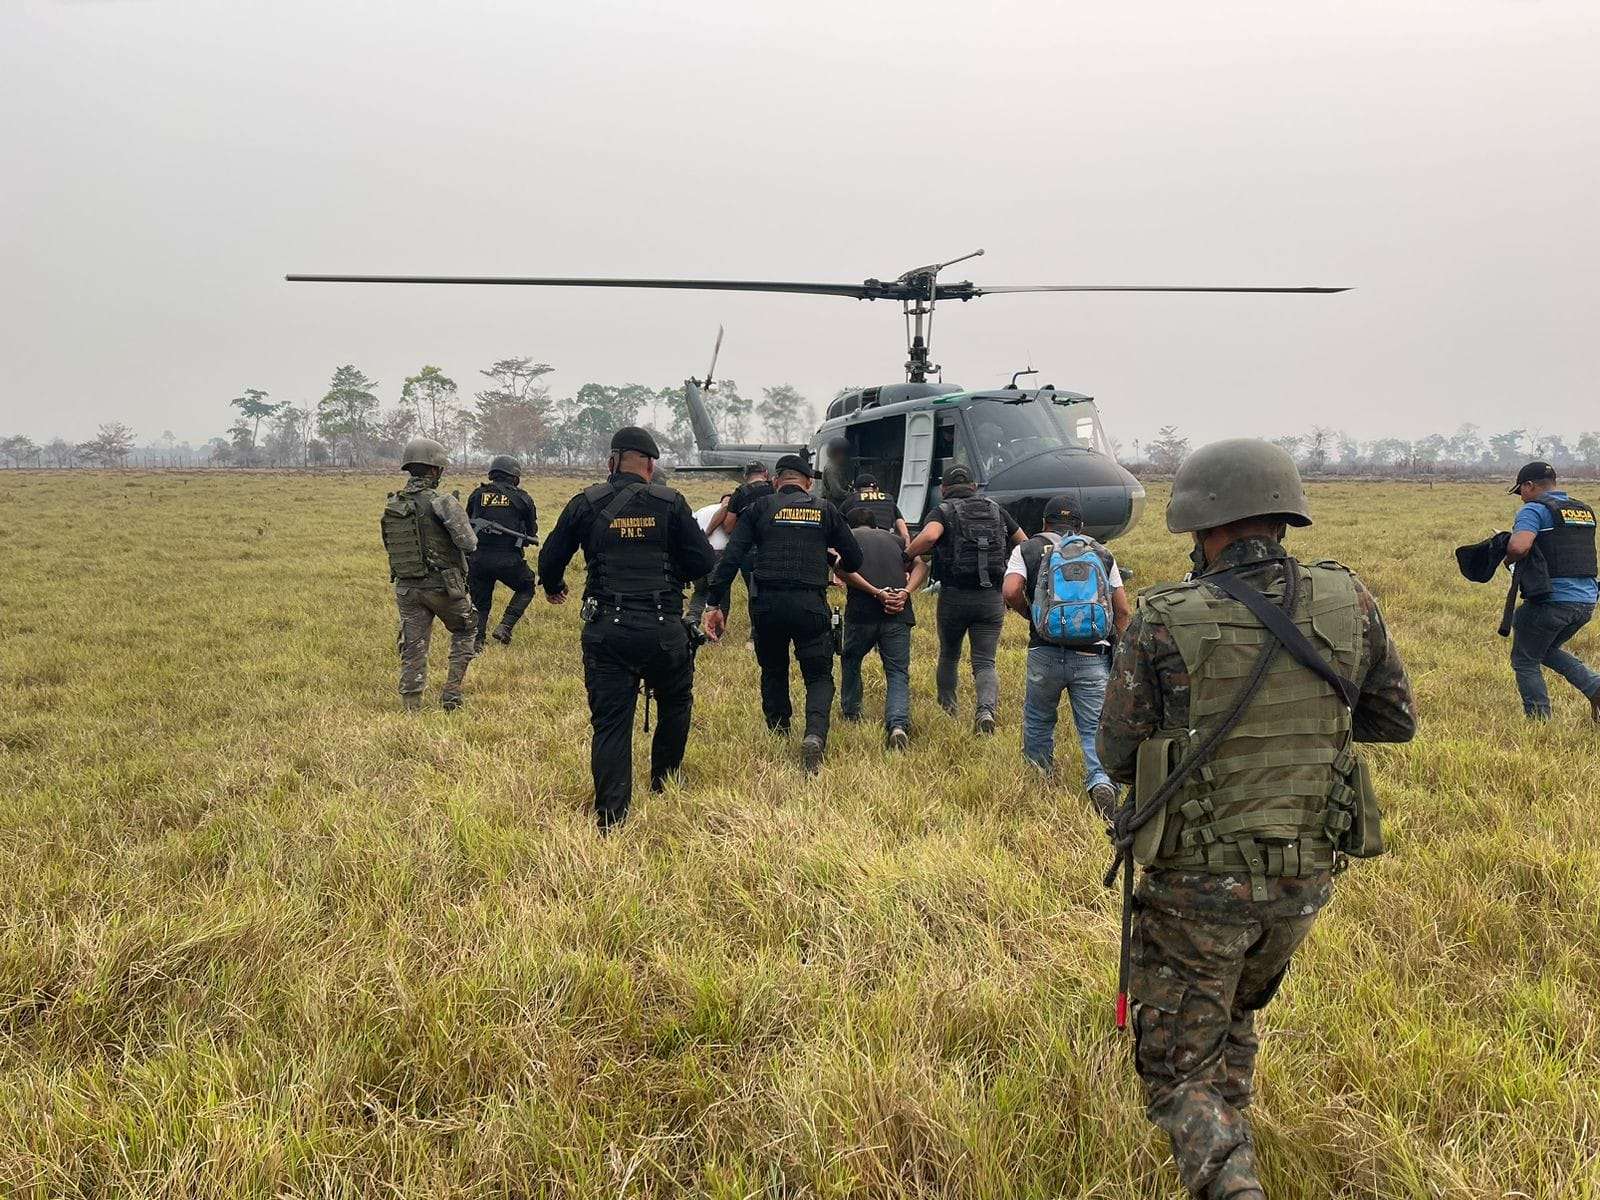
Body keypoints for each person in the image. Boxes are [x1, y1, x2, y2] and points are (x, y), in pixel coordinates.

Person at [1097, 438, 1416, 1200]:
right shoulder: (1350, 599)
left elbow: (1116, 753)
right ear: (1280, 514)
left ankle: (1230, 1183)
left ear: (1204, 527)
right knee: (1235, 1009)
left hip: (1199, 885)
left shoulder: (1165, 618)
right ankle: (1231, 1129)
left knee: (1176, 1069)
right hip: (1305, 879)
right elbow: (1393, 719)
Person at [537, 427, 716, 832]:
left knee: (611, 723)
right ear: (651, 465)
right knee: (676, 701)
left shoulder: (585, 503)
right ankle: (664, 780)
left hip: (607, 628)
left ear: (612, 461)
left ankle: (612, 817)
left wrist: (554, 588)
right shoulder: (671, 503)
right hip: (662, 628)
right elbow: (704, 562)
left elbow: (550, 558)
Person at [704, 453, 863, 774]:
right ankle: (815, 735)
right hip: (809, 604)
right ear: (808, 483)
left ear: (776, 482)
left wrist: (713, 604)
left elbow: (731, 558)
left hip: (767, 605)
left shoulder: (758, 509)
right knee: (819, 675)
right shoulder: (825, 510)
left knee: (773, 670)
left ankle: (779, 731)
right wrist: (829, 560)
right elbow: (855, 559)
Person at [1002, 494, 1131, 816]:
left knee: (1038, 717)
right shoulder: (1100, 552)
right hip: (1092, 653)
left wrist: (1032, 616)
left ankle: (1039, 777)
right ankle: (1100, 780)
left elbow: (1010, 591)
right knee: (1092, 725)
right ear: (1080, 525)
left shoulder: (1027, 549)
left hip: (1044, 650)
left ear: (1044, 523)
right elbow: (1123, 610)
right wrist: (1122, 649)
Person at [905, 462, 1026, 733]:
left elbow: (930, 537)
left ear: (944, 489)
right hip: (991, 597)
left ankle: (948, 711)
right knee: (985, 661)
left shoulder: (943, 510)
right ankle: (985, 711)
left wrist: (907, 555)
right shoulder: (996, 509)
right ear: (973, 486)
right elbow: (1024, 542)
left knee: (949, 655)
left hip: (954, 596)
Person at [380, 437, 479, 712]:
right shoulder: (443, 502)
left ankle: (411, 704)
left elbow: (389, 544)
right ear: (435, 470)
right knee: (466, 629)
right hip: (444, 586)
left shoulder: (393, 504)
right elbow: (469, 544)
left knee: (413, 645)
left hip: (407, 588)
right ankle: (452, 694)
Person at [1503, 460, 1600, 720]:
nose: (1521, 497)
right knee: (1544, 650)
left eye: (1520, 491)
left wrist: (1507, 557)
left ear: (1529, 485)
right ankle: (1596, 687)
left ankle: (1538, 721)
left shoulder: (1534, 510)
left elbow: (1519, 547)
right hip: (1587, 601)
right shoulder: (1584, 510)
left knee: (1525, 659)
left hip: (1552, 601)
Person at [840, 508, 928, 747]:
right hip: (899, 613)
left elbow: (840, 569)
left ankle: (851, 712)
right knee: (897, 672)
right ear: (876, 525)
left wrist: (876, 593)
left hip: (861, 614)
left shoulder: (849, 539)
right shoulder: (898, 540)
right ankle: (898, 725)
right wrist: (905, 592)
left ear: (851, 525)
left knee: (851, 660)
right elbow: (921, 566)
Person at [465, 453, 538, 652]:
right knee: (527, 586)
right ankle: (505, 627)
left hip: (478, 559)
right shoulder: (523, 498)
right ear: (515, 477)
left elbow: (465, 525)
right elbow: (532, 532)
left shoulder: (477, 495)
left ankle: (477, 642)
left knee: (481, 602)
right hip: (509, 559)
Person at [717, 461, 776, 642]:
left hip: (749, 551)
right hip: (773, 547)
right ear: (765, 473)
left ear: (745, 476)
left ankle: (755, 635)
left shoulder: (739, 493)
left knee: (754, 592)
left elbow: (728, 527)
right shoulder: (773, 490)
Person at [687, 492, 732, 629]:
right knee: (719, 595)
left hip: (697, 554)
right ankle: (716, 631)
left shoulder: (703, 510)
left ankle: (692, 620)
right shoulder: (730, 510)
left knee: (700, 591)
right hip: (718, 553)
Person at [842, 472, 911, 547]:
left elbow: (839, 521)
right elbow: (901, 526)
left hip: (859, 539)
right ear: (877, 488)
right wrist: (907, 545)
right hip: (885, 539)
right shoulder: (888, 498)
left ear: (855, 490)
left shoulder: (852, 499)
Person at [817, 437, 853, 507]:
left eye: (843, 452)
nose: (842, 456)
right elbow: (837, 492)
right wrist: (855, 495)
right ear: (833, 453)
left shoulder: (841, 466)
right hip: (833, 506)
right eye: (839, 453)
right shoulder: (831, 468)